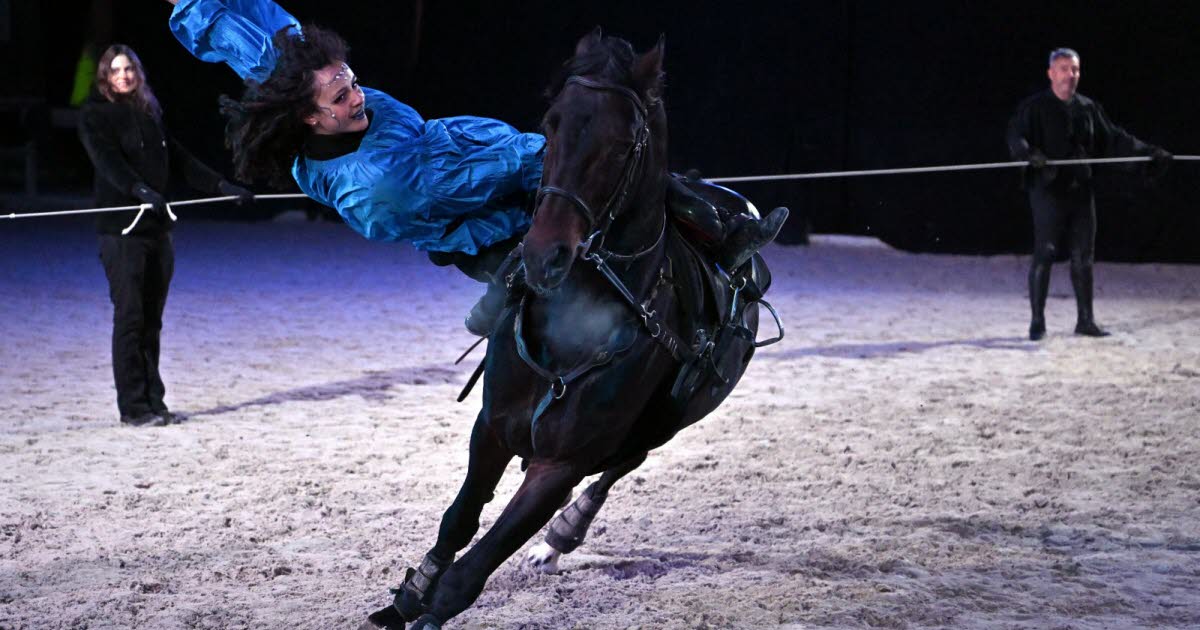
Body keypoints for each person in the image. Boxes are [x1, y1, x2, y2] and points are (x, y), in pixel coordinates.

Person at [164, 0, 786, 336]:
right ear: (311, 119)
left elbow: (267, 43)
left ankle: (708, 233)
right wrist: (567, 155)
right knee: (583, 199)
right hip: (475, 216)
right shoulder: (385, 181)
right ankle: (513, 292)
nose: (355, 95)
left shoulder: (308, 90)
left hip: (460, 158)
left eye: (351, 82)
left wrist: (195, 5)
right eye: (341, 97)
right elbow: (506, 170)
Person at [79, 44, 254, 427]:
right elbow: (107, 162)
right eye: (116, 70)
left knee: (152, 321)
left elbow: (180, 160)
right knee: (129, 318)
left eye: (129, 69)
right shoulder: (95, 116)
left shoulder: (148, 114)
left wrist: (223, 186)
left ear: (137, 74)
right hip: (122, 233)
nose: (123, 76)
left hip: (158, 230)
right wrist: (139, 190)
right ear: (105, 77)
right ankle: (134, 408)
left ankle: (154, 401)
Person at [1007, 47, 1170, 341]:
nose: (1071, 75)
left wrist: (1149, 153)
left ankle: (1085, 320)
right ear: (1051, 73)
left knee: (1084, 256)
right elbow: (1015, 135)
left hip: (1080, 191)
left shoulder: (1087, 108)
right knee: (1046, 252)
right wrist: (1029, 153)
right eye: (1065, 69)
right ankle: (1037, 322)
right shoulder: (1034, 107)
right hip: (1048, 190)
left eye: (1075, 70)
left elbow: (1115, 139)